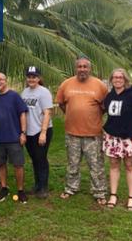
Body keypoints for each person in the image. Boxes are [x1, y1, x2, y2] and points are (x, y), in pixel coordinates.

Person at [56, 57, 108, 205]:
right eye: (80, 67)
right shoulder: (66, 84)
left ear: (89, 69)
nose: (82, 69)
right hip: (72, 133)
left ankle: (99, 192)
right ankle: (71, 188)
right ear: (75, 68)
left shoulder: (100, 85)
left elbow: (105, 107)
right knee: (72, 164)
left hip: (93, 134)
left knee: (96, 165)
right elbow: (61, 103)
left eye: (85, 67)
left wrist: (91, 116)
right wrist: (74, 114)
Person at [103, 68, 132, 211]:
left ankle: (131, 197)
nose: (117, 80)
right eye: (115, 77)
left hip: (129, 137)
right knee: (114, 165)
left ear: (125, 79)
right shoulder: (109, 96)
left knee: (129, 165)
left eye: (120, 77)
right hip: (113, 137)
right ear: (111, 80)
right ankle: (113, 195)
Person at [0, 72, 28, 203]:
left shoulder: (15, 96)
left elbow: (22, 114)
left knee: (18, 165)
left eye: (1, 80)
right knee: (0, 164)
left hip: (14, 137)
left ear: (6, 81)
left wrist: (23, 133)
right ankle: (4, 188)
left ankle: (20, 190)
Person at [21, 66, 53, 199]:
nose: (31, 79)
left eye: (34, 76)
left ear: (39, 78)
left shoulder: (43, 92)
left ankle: (44, 187)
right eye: (29, 76)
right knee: (35, 159)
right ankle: (37, 185)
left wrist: (43, 133)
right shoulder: (25, 92)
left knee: (41, 159)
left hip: (41, 131)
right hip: (29, 132)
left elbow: (47, 113)